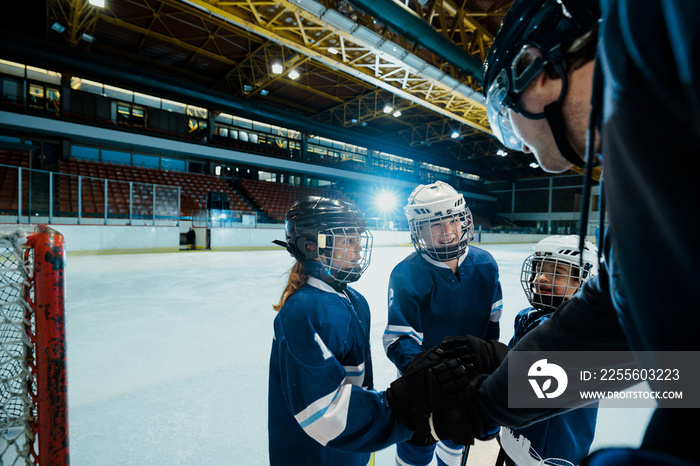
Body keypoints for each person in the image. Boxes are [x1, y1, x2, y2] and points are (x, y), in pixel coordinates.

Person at [384, 1, 700, 464]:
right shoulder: (660, 163)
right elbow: (647, 356)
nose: (521, 146)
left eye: (505, 119)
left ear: (536, 70)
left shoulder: (657, 37)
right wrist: (486, 401)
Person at [267, 196, 412, 466]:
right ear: (312, 246)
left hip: (353, 445)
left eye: (358, 239)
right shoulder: (301, 313)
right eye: (348, 241)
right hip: (317, 455)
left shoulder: (356, 300)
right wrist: (404, 414)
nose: (359, 249)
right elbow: (323, 412)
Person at [383, 181, 503, 466]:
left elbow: (491, 330)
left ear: (464, 220)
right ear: (418, 230)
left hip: (468, 382)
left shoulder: (486, 265)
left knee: (455, 445)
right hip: (420, 386)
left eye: (453, 221)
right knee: (415, 450)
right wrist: (429, 379)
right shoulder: (406, 274)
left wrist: (486, 374)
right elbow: (399, 340)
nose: (447, 232)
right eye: (434, 225)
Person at [498, 235, 599, 466]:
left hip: (551, 453)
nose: (541, 277)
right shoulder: (530, 316)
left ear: (583, 282)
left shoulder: (579, 330)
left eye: (557, 272)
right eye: (539, 269)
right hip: (518, 437)